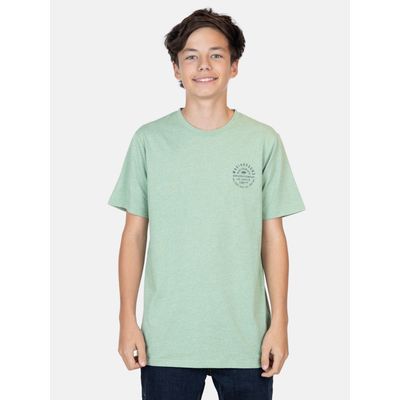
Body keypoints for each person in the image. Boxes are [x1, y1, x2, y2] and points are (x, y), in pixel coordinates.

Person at [107, 7, 305, 400]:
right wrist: (126, 319)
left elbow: (273, 238)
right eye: (191, 57)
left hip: (247, 339)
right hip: (167, 339)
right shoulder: (149, 140)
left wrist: (280, 322)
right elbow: (134, 235)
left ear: (234, 66)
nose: (203, 66)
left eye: (216, 55)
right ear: (176, 69)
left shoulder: (263, 141)